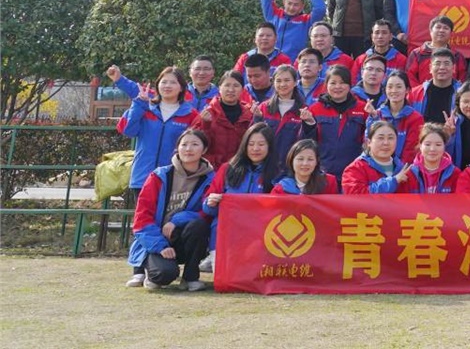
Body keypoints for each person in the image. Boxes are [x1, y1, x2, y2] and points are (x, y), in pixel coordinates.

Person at [126, 129, 214, 291]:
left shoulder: (210, 179)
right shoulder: (159, 176)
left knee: (200, 225)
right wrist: (160, 246)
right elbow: (142, 219)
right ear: (177, 148)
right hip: (158, 238)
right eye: (184, 144)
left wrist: (177, 220)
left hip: (183, 236)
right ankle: (147, 269)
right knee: (164, 275)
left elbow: (206, 214)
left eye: (195, 144)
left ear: (204, 150)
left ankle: (190, 277)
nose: (188, 149)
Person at [116, 66, 202, 206]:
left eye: (173, 82)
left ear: (181, 88)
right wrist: (139, 104)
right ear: (157, 85)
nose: (167, 86)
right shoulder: (145, 107)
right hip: (142, 177)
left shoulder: (190, 114)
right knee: (143, 217)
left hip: (174, 179)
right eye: (164, 82)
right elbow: (127, 130)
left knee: (168, 218)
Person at [200, 122, 277, 272]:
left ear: (270, 146)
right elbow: (208, 206)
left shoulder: (277, 174)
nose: (255, 149)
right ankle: (213, 258)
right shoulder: (228, 169)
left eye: (261, 144)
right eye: (251, 144)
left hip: (260, 235)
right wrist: (210, 202)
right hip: (226, 233)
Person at [298, 65, 367, 179]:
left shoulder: (363, 109)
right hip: (323, 172)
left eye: (342, 83)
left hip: (354, 172)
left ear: (350, 85)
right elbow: (305, 143)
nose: (337, 87)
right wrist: (308, 124)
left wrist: (373, 117)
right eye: (333, 83)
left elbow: (369, 141)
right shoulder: (315, 109)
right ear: (326, 85)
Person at [195, 70, 253, 168]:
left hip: (239, 168)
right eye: (227, 85)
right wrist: (206, 125)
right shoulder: (208, 113)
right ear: (219, 88)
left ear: (242, 89)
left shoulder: (249, 115)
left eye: (236, 86)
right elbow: (197, 144)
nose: (231, 90)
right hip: (211, 169)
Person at [255, 65, 310, 170]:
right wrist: (257, 118)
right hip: (264, 165)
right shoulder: (263, 107)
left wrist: (308, 123)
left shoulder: (304, 110)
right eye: (278, 81)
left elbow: (306, 141)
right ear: (273, 83)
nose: (282, 84)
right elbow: (254, 137)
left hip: (290, 167)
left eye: (287, 80)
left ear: (295, 82)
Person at [260, 0, 326, 59]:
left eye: (296, 5)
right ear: (284, 2)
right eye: (289, 3)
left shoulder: (307, 21)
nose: (291, 8)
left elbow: (320, 9)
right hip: (271, 62)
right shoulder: (273, 14)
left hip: (293, 64)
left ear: (302, 6)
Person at [366, 71, 424, 164]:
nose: (394, 90)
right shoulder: (377, 114)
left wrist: (397, 169)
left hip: (402, 168)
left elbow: (411, 151)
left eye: (399, 87)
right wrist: (373, 118)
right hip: (377, 165)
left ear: (407, 90)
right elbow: (369, 142)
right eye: (390, 87)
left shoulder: (415, 118)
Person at [341, 120, 408, 194]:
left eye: (390, 138)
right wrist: (393, 181)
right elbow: (356, 196)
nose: (386, 143)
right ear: (369, 142)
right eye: (380, 138)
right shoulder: (355, 169)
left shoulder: (402, 169)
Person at [398, 124, 460, 193]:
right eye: (427, 144)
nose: (432, 149)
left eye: (438, 145)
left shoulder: (454, 173)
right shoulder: (409, 174)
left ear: (444, 146)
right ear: (420, 146)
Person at [406, 16, 468, 85]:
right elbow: (410, 76)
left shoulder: (457, 56)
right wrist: (420, 91)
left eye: (446, 28)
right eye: (438, 27)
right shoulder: (417, 54)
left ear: (451, 33)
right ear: (430, 31)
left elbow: (462, 79)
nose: (441, 30)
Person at [409, 48, 461, 126]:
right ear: (430, 68)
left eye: (446, 63)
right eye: (438, 63)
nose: (442, 67)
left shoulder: (462, 93)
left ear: (453, 68)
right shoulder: (415, 94)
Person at [272, 139, 338, 195]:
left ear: (316, 161)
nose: (305, 163)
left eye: (310, 159)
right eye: (300, 159)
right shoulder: (281, 188)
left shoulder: (328, 182)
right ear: (291, 161)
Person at [352, 20, 407, 84]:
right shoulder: (360, 60)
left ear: (391, 37)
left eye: (384, 33)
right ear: (372, 37)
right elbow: (353, 83)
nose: (380, 36)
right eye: (377, 33)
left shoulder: (401, 60)